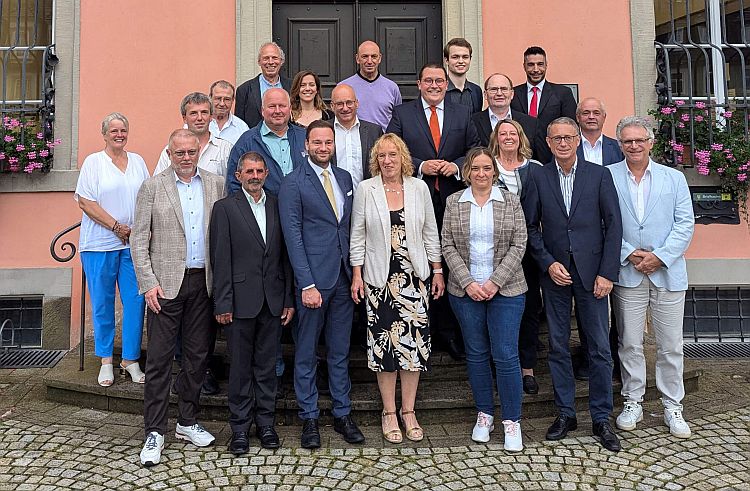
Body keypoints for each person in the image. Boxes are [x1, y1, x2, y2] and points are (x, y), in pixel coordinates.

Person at [524, 117, 623, 452]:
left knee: (599, 347)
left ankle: (601, 417)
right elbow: (530, 227)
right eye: (557, 139)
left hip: (593, 274)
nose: (563, 143)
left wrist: (607, 273)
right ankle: (565, 413)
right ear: (548, 143)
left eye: (569, 137)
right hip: (555, 274)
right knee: (557, 345)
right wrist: (548, 262)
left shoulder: (599, 175)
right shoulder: (538, 176)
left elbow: (614, 225)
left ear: (578, 140)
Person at [131, 129, 225, 467]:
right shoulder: (152, 186)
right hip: (165, 287)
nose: (186, 158)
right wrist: (148, 283)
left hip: (204, 283)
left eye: (191, 152)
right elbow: (139, 239)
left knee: (197, 358)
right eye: (179, 153)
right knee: (158, 361)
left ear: (199, 151)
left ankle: (187, 421)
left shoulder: (216, 184)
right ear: (169, 154)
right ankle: (155, 431)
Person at [350, 133, 444, 444]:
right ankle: (389, 412)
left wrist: (437, 271)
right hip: (379, 279)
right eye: (382, 156)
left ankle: (409, 411)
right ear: (375, 160)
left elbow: (430, 232)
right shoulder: (366, 189)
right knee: (384, 347)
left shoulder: (418, 188)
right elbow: (358, 235)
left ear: (403, 157)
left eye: (393, 155)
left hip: (414, 278)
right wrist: (357, 275)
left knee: (413, 347)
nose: (387, 161)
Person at [278, 120, 365, 448]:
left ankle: (343, 413)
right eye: (317, 142)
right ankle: (309, 417)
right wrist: (306, 284)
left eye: (328, 142)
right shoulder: (292, 183)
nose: (323, 147)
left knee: (340, 351)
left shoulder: (344, 178)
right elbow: (293, 237)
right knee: (306, 352)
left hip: (343, 278)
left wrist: (355, 272)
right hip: (313, 282)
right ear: (306, 145)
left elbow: (348, 227)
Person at [386, 62, 480, 361]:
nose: (434, 86)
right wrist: (421, 165)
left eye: (439, 81)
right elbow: (390, 149)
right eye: (428, 81)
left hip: (453, 199)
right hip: (415, 198)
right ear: (419, 84)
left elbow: (475, 149)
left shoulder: (462, 113)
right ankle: (422, 326)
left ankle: (450, 331)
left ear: (446, 84)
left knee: (451, 264)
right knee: (420, 261)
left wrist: (456, 166)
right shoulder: (403, 114)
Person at [609, 116, 695, 438]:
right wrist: (630, 253)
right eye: (627, 141)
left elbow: (685, 224)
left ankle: (673, 405)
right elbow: (604, 222)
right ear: (620, 144)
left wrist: (659, 257)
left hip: (667, 272)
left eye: (639, 140)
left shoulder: (674, 178)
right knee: (630, 342)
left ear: (651, 142)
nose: (634, 146)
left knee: (670, 345)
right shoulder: (608, 176)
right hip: (627, 271)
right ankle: (633, 400)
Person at [442, 147, 528, 451]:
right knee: (476, 353)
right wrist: (468, 282)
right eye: (475, 168)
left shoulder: (510, 201)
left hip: (506, 289)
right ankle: (485, 414)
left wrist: (494, 282)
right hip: (465, 292)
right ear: (467, 172)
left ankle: (512, 420)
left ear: (494, 171)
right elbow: (447, 245)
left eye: (487, 168)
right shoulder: (454, 202)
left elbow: (519, 243)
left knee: (506, 354)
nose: (481, 174)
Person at [210, 151, 295, 454]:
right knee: (240, 369)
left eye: (259, 171)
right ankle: (240, 428)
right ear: (238, 175)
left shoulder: (277, 204)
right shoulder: (225, 208)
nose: (255, 176)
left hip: (272, 302)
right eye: (249, 171)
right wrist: (222, 303)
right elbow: (220, 259)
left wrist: (288, 299)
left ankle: (266, 424)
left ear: (266, 174)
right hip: (239, 303)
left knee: (267, 367)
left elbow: (284, 257)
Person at [74, 112, 148, 387]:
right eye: (114, 130)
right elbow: (86, 202)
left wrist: (139, 231)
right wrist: (116, 226)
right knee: (103, 303)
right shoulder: (93, 163)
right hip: (99, 245)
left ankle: (130, 359)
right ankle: (106, 360)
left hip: (131, 245)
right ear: (104, 134)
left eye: (123, 130)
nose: (119, 134)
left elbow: (148, 196)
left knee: (136, 301)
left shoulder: (137, 161)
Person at [487, 119, 544, 395]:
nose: (508, 137)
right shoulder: (487, 167)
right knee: (497, 309)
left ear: (521, 137)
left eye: (513, 133)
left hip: (529, 252)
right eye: (503, 133)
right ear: (495, 139)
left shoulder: (536, 169)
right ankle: (501, 366)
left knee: (529, 308)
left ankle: (527, 368)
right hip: (494, 251)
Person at [574, 96, 625, 381]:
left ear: (604, 117)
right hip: (584, 235)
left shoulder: (618, 149)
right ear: (578, 117)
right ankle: (588, 355)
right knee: (588, 301)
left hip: (616, 230)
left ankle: (616, 358)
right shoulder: (569, 147)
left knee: (619, 303)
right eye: (585, 112)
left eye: (596, 112)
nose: (591, 117)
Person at [225, 88, 307, 196]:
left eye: (282, 106)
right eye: (272, 106)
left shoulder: (304, 137)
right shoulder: (247, 142)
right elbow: (233, 183)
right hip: (262, 206)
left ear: (290, 108)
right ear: (262, 110)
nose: (277, 111)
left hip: (303, 205)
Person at [510, 46, 577, 164]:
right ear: (524, 66)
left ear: (546, 65)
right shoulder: (513, 94)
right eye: (531, 65)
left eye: (540, 64)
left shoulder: (563, 93)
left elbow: (571, 126)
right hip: (519, 156)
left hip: (552, 157)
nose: (536, 69)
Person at [154, 92, 232, 178]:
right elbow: (158, 182)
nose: (199, 118)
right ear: (184, 118)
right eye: (193, 113)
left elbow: (232, 183)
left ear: (211, 117)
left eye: (204, 112)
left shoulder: (225, 149)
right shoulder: (171, 150)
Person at [471, 73, 542, 160]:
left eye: (504, 89)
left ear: (512, 94)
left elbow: (538, 158)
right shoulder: (472, 122)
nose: (499, 93)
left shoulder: (531, 123)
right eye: (494, 89)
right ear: (485, 94)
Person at [330, 83, 383, 191]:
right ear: (332, 106)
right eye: (339, 104)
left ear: (357, 103)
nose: (345, 108)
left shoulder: (374, 131)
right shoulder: (324, 130)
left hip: (368, 195)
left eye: (349, 102)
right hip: (333, 196)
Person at [341, 40, 403, 131]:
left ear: (379, 58)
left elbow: (399, 119)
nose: (369, 61)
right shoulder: (344, 87)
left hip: (384, 139)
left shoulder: (392, 88)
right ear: (357, 59)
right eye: (365, 56)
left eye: (374, 56)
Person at [235, 42, 292, 129]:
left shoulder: (292, 87)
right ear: (259, 62)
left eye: (275, 58)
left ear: (281, 61)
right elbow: (239, 124)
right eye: (266, 58)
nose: (270, 62)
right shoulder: (244, 90)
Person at [444, 38, 483, 113]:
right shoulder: (440, 89)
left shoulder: (476, 91)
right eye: (455, 57)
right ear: (446, 60)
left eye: (465, 57)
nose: (461, 61)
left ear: (470, 59)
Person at [208, 80, 250, 145]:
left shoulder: (242, 128)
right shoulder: (200, 123)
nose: (222, 104)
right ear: (210, 98)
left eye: (227, 99)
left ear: (233, 100)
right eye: (218, 98)